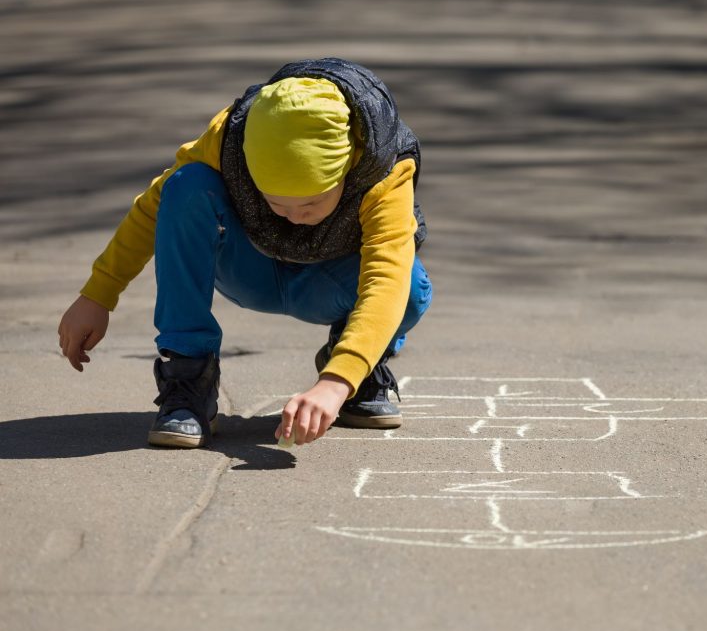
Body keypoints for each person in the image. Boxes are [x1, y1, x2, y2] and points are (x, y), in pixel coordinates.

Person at [56, 58, 432, 449]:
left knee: (410, 286)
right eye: (277, 204)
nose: (295, 218)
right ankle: (189, 376)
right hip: (250, 271)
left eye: (310, 206)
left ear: (346, 169)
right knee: (185, 186)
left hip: (329, 284)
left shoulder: (385, 169)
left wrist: (336, 382)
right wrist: (97, 295)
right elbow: (151, 210)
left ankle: (356, 366)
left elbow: (385, 275)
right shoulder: (228, 139)